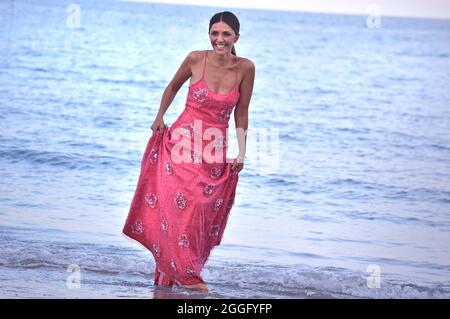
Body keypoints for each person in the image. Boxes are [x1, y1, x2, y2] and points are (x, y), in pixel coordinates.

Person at [122, 11, 255, 292]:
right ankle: (187, 276)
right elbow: (172, 87)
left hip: (215, 149)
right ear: (209, 35)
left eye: (226, 34)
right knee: (180, 207)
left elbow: (241, 113)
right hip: (182, 143)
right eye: (214, 33)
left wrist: (242, 151)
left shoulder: (246, 68)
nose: (219, 39)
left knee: (198, 213)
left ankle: (175, 275)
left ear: (236, 38)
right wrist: (159, 117)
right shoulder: (196, 58)